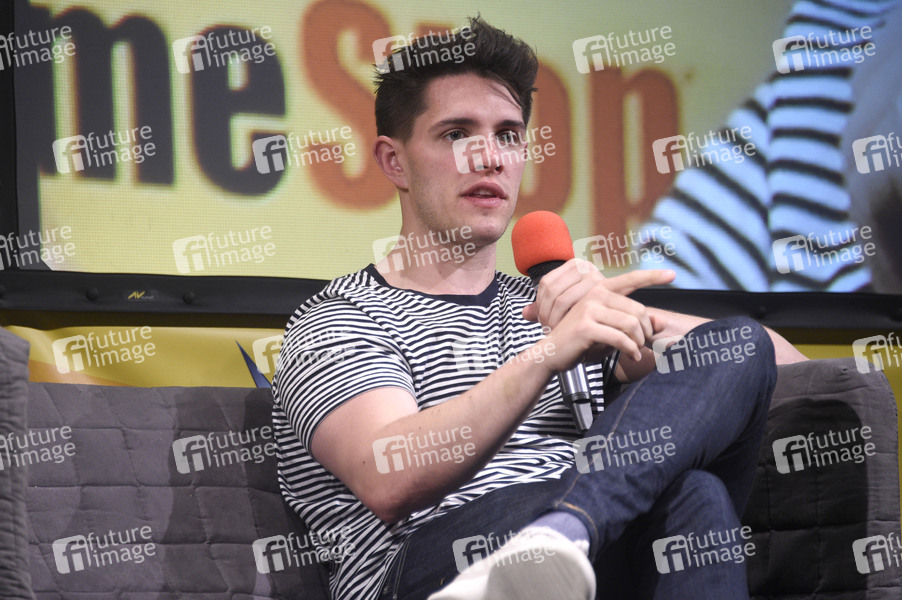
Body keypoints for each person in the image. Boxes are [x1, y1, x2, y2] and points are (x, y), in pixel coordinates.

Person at [272, 17, 808, 600]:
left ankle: (566, 533)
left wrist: (627, 318)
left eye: (508, 135)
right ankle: (565, 530)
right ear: (394, 161)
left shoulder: (558, 309)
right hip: (427, 568)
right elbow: (390, 476)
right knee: (691, 495)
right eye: (456, 134)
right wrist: (548, 355)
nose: (489, 157)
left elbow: (789, 369)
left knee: (732, 367)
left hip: (593, 560)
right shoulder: (339, 316)